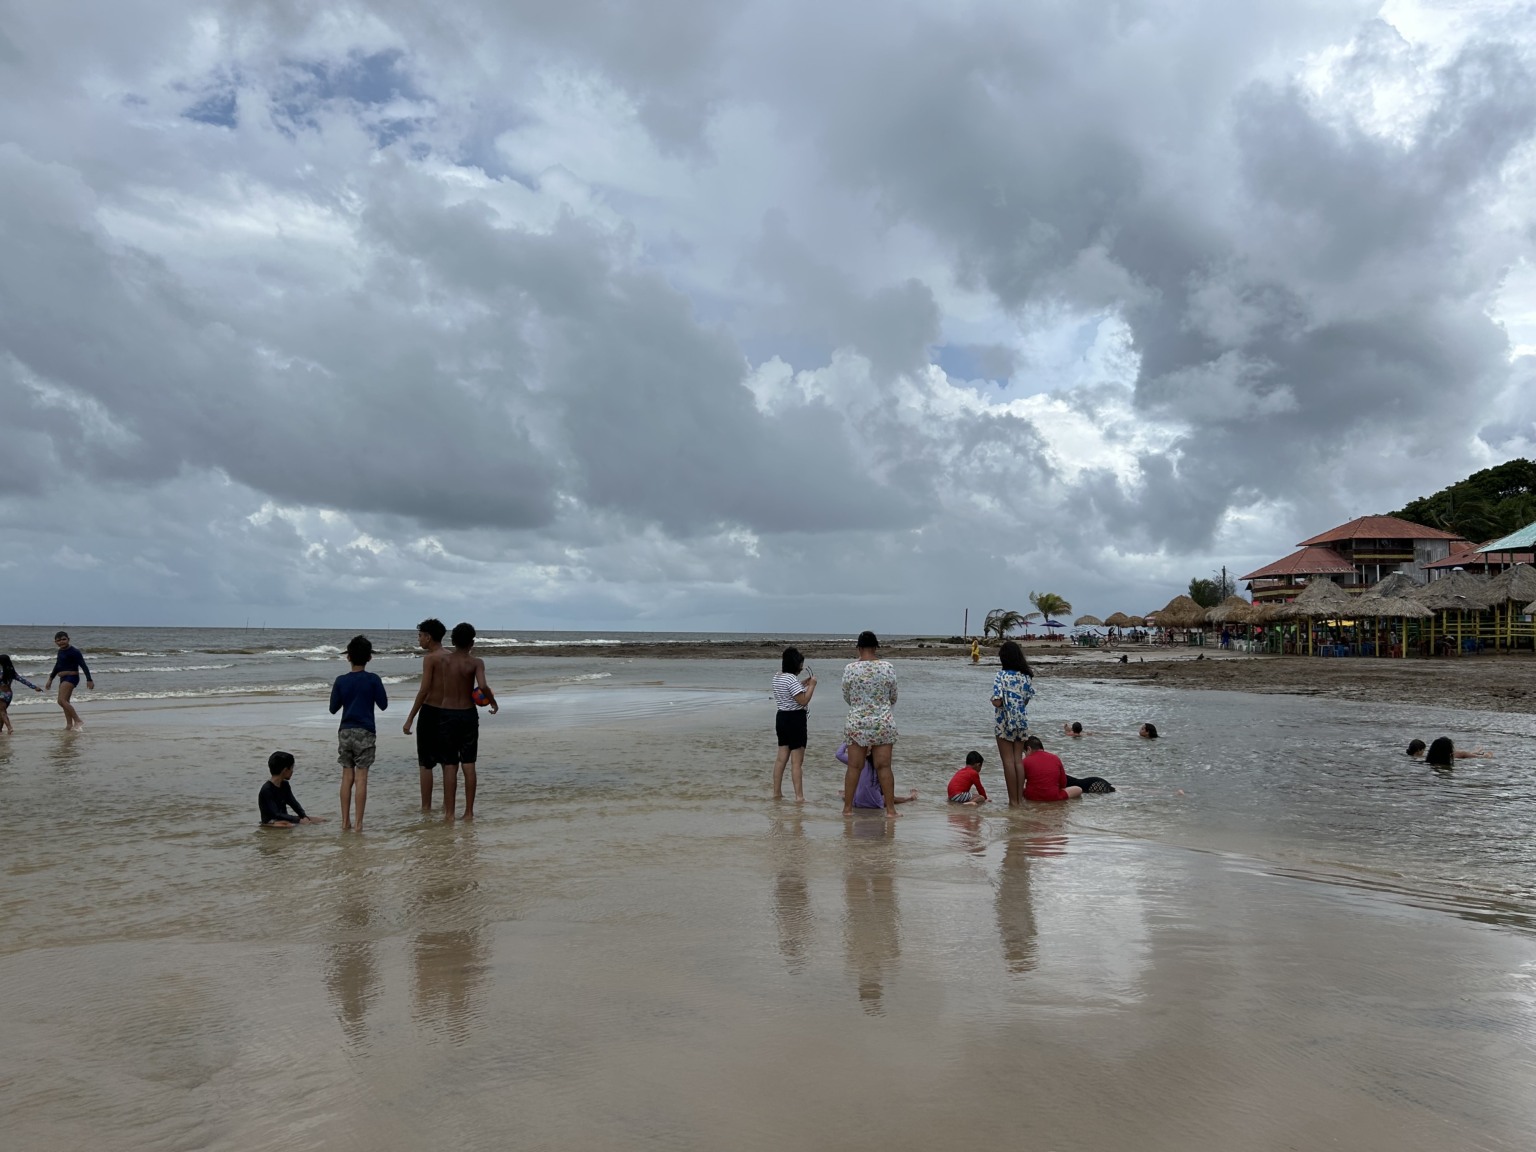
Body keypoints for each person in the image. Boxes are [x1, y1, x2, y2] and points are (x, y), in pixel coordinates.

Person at [418, 622, 498, 820]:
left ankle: (449, 814)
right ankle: (469, 812)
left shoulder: (443, 660)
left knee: (450, 764)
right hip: (468, 714)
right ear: (472, 642)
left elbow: (430, 686)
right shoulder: (476, 662)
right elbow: (483, 686)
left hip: (447, 714)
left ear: (452, 641)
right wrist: (492, 702)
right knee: (469, 764)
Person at [329, 634, 389, 831]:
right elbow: (383, 705)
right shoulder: (373, 679)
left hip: (345, 731)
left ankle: (345, 821)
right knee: (362, 778)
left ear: (348, 657)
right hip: (365, 731)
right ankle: (359, 824)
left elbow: (333, 708)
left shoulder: (341, 681)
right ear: (369, 657)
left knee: (347, 777)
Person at [840, 631, 899, 818]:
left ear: (858, 648)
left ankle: (847, 809)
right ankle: (891, 810)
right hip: (882, 722)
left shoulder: (850, 668)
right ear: (875, 647)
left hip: (857, 722)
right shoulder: (887, 667)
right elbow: (893, 696)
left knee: (854, 767)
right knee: (884, 767)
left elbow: (847, 697)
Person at [402, 618, 448, 810]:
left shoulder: (430, 658)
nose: (419, 639)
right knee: (448, 762)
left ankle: (426, 807)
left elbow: (424, 690)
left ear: (429, 637)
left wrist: (410, 717)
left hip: (430, 712)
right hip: (449, 711)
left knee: (426, 764)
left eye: (420, 636)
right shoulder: (451, 656)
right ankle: (448, 805)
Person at [991, 640, 1035, 805]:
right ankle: (1019, 798)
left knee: (1008, 762)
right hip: (1021, 721)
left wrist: (992, 701)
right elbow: (1025, 701)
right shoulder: (1026, 677)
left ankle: (1013, 801)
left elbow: (998, 701)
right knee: (1018, 760)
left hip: (1004, 721)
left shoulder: (1001, 676)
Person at [772, 647, 816, 802]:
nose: (802, 668)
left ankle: (777, 793)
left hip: (782, 718)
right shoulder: (791, 679)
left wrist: (803, 683)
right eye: (800, 665)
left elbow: (790, 693)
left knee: (781, 758)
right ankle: (799, 797)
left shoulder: (778, 677)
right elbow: (803, 700)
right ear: (795, 665)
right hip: (795, 720)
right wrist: (812, 686)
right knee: (797, 762)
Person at [838, 743, 918, 808]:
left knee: (851, 792)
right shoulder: (880, 766)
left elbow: (839, 754)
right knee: (889, 797)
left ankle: (844, 794)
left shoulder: (856, 762)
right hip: (876, 804)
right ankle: (911, 797)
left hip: (856, 803)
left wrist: (847, 741)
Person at [259, 751, 327, 827]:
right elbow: (276, 813)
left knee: (321, 820)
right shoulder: (267, 789)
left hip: (284, 818)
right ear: (285, 770)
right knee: (289, 825)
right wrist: (297, 820)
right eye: (292, 768)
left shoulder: (285, 785)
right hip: (270, 822)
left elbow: (293, 803)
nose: (292, 771)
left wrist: (303, 816)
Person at [44, 631, 93, 730]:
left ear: (68, 639)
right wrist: (50, 679)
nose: (61, 642)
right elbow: (57, 665)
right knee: (64, 701)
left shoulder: (74, 651)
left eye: (63, 639)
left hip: (72, 678)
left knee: (62, 700)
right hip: (63, 678)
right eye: (58, 640)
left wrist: (89, 679)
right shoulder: (60, 651)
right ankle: (69, 725)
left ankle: (78, 720)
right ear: (55, 642)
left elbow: (83, 665)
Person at [1021, 735, 1082, 802]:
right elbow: (1063, 783)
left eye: (1024, 752)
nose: (1025, 755)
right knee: (1078, 789)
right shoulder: (1055, 758)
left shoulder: (1025, 761)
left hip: (1031, 796)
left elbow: (1020, 783)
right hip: (1053, 797)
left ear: (1029, 749)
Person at [0, 654, 43, 735]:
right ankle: (0, 730)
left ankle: (9, 728)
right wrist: (34, 687)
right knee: (2, 712)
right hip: (9, 694)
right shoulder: (11, 672)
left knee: (2, 712)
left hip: (1, 693)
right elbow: (23, 680)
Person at [1422, 737, 1492, 766]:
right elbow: (1486, 756)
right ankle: (1475, 752)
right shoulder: (1456, 755)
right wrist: (1488, 755)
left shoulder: (1430, 758)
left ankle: (1475, 751)